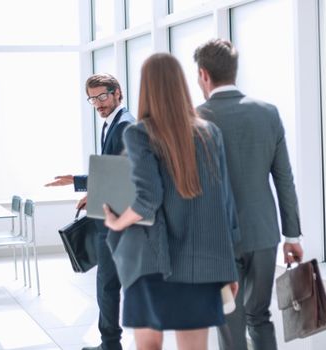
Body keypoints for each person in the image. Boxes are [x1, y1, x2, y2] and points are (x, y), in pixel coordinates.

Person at [102, 53, 239, 350]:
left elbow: (147, 199)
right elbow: (225, 207)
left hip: (152, 264)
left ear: (146, 88)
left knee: (148, 346)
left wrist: (116, 221)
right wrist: (230, 269)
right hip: (202, 265)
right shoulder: (209, 133)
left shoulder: (140, 134)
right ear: (181, 85)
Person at [193, 38, 304, 350]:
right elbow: (284, 179)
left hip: (217, 242)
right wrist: (291, 235)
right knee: (259, 316)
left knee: (229, 320)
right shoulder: (268, 113)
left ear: (203, 74)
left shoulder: (195, 118)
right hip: (263, 235)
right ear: (234, 70)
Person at [45, 73, 135, 350]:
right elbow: (110, 168)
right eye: (92, 99)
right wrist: (78, 182)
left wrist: (87, 188)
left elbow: (127, 173)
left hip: (116, 219)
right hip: (110, 215)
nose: (98, 103)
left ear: (117, 92)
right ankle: (109, 342)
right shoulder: (111, 124)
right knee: (106, 284)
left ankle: (110, 344)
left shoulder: (125, 125)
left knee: (107, 285)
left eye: (102, 96)